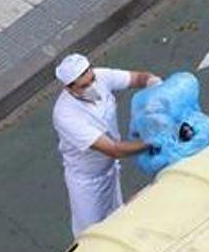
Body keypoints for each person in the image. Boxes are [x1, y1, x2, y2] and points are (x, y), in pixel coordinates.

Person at [52, 53, 162, 236]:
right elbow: (114, 150)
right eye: (84, 86)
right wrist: (151, 143)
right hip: (87, 183)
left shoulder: (101, 76)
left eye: (92, 79)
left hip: (110, 169)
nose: (92, 86)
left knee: (117, 221)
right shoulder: (65, 115)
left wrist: (153, 83)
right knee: (90, 235)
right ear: (69, 88)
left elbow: (137, 78)